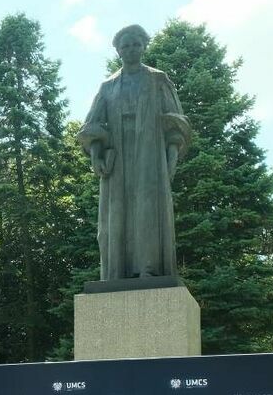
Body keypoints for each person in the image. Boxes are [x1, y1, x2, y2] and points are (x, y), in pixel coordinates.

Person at [77, 23, 191, 281]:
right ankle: (116, 272)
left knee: (147, 207)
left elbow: (176, 122)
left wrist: (171, 155)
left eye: (135, 44)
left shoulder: (157, 79)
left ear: (143, 46)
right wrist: (96, 155)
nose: (130, 50)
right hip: (117, 155)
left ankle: (148, 269)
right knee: (115, 214)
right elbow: (92, 125)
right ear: (118, 51)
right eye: (124, 46)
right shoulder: (108, 87)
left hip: (149, 152)